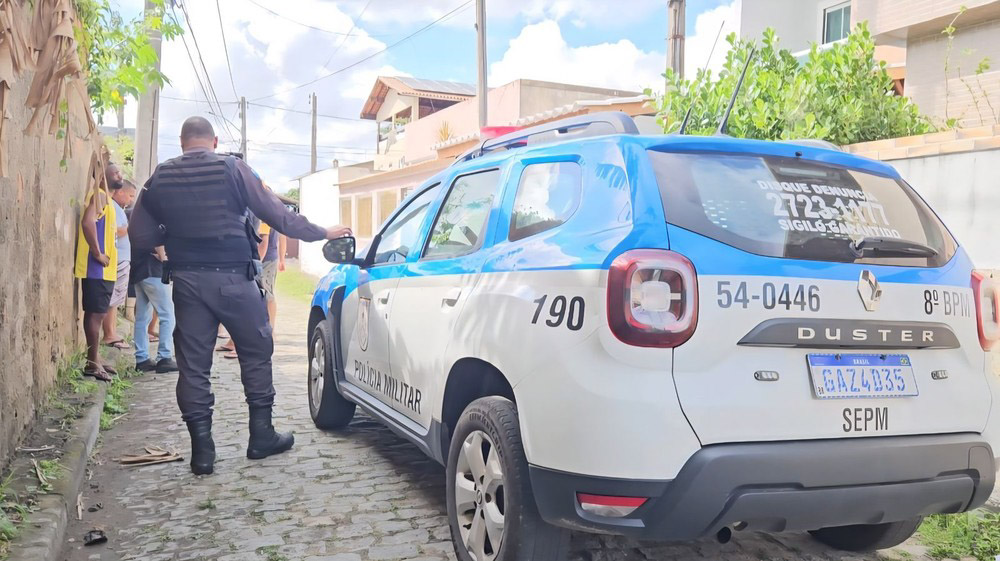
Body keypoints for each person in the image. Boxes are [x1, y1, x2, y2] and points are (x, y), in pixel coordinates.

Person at [128, 116, 350, 475]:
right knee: (256, 352)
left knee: (194, 367)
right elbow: (278, 215)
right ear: (214, 140)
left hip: (186, 283)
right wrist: (323, 231)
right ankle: (260, 436)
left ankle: (202, 453)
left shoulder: (160, 177)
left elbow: (139, 236)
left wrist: (171, 235)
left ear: (182, 142)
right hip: (235, 280)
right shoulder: (233, 168)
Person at [75, 162, 121, 382]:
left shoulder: (107, 199)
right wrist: (97, 252)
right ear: (102, 175)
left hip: (104, 270)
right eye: (115, 172)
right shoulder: (100, 195)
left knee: (98, 313)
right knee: (95, 315)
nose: (119, 175)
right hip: (97, 269)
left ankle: (95, 359)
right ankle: (92, 364)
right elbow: (87, 223)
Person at [131, 239, 177, 373]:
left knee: (142, 318)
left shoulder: (139, 221)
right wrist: (165, 260)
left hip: (139, 270)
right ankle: (164, 357)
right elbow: (159, 241)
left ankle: (142, 358)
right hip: (154, 270)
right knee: (167, 315)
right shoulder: (155, 221)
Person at [101, 177, 136, 350]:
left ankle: (112, 332)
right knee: (114, 298)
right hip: (118, 257)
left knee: (116, 297)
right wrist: (132, 228)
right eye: (130, 196)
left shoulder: (118, 208)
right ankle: (109, 334)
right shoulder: (113, 207)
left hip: (121, 258)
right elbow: (114, 230)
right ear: (120, 192)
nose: (131, 200)